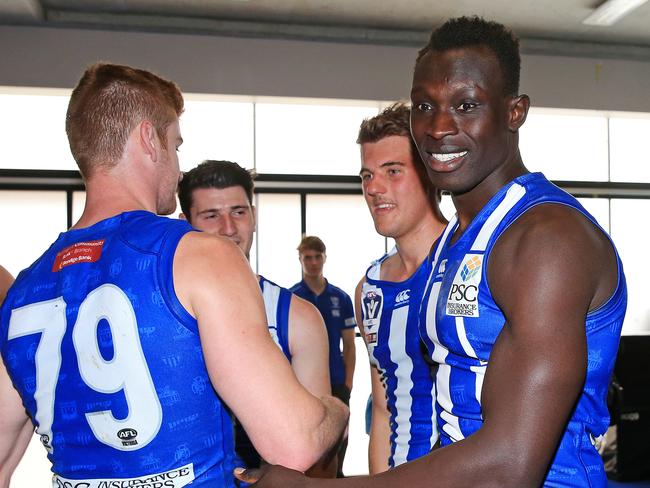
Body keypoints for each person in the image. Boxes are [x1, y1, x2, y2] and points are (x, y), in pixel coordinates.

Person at [235, 15, 626, 487]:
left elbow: (510, 465)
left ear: (514, 111)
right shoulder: (456, 240)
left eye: (466, 105)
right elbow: (455, 421)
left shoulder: (546, 238)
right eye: (425, 105)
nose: (440, 127)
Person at [0, 63, 347, 487]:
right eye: (175, 144)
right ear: (150, 139)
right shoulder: (199, 255)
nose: (179, 168)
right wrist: (335, 408)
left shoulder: (22, 293)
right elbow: (294, 442)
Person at [177, 159, 337, 477]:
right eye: (211, 216)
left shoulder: (298, 316)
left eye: (238, 212)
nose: (228, 228)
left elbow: (321, 453)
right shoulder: (166, 311)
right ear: (186, 223)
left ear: (253, 217)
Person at [355, 102, 447, 473]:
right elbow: (383, 409)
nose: (374, 188)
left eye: (392, 171)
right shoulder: (369, 289)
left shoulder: (471, 265)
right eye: (366, 175)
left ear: (430, 173)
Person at [290, 237, 356, 477]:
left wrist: (348, 383)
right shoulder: (291, 297)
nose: (313, 262)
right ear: (300, 260)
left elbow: (350, 345)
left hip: (336, 380)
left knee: (340, 437)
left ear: (325, 258)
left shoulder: (341, 297)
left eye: (318, 256)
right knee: (307, 437)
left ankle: (337, 479)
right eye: (308, 257)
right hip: (302, 382)